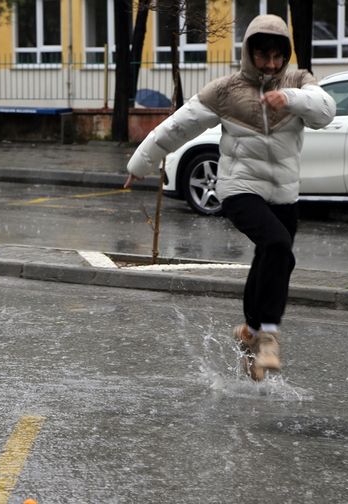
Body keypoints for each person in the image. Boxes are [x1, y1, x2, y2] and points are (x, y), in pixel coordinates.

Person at [123, 14, 335, 380]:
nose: (271, 65)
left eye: (277, 57)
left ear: (286, 55)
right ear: (248, 53)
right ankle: (268, 337)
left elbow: (325, 112)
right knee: (276, 244)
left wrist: (289, 98)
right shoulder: (226, 90)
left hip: (284, 193)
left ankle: (249, 332)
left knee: (275, 258)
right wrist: (141, 162)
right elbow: (178, 126)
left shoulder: (299, 81)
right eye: (263, 56)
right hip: (240, 188)